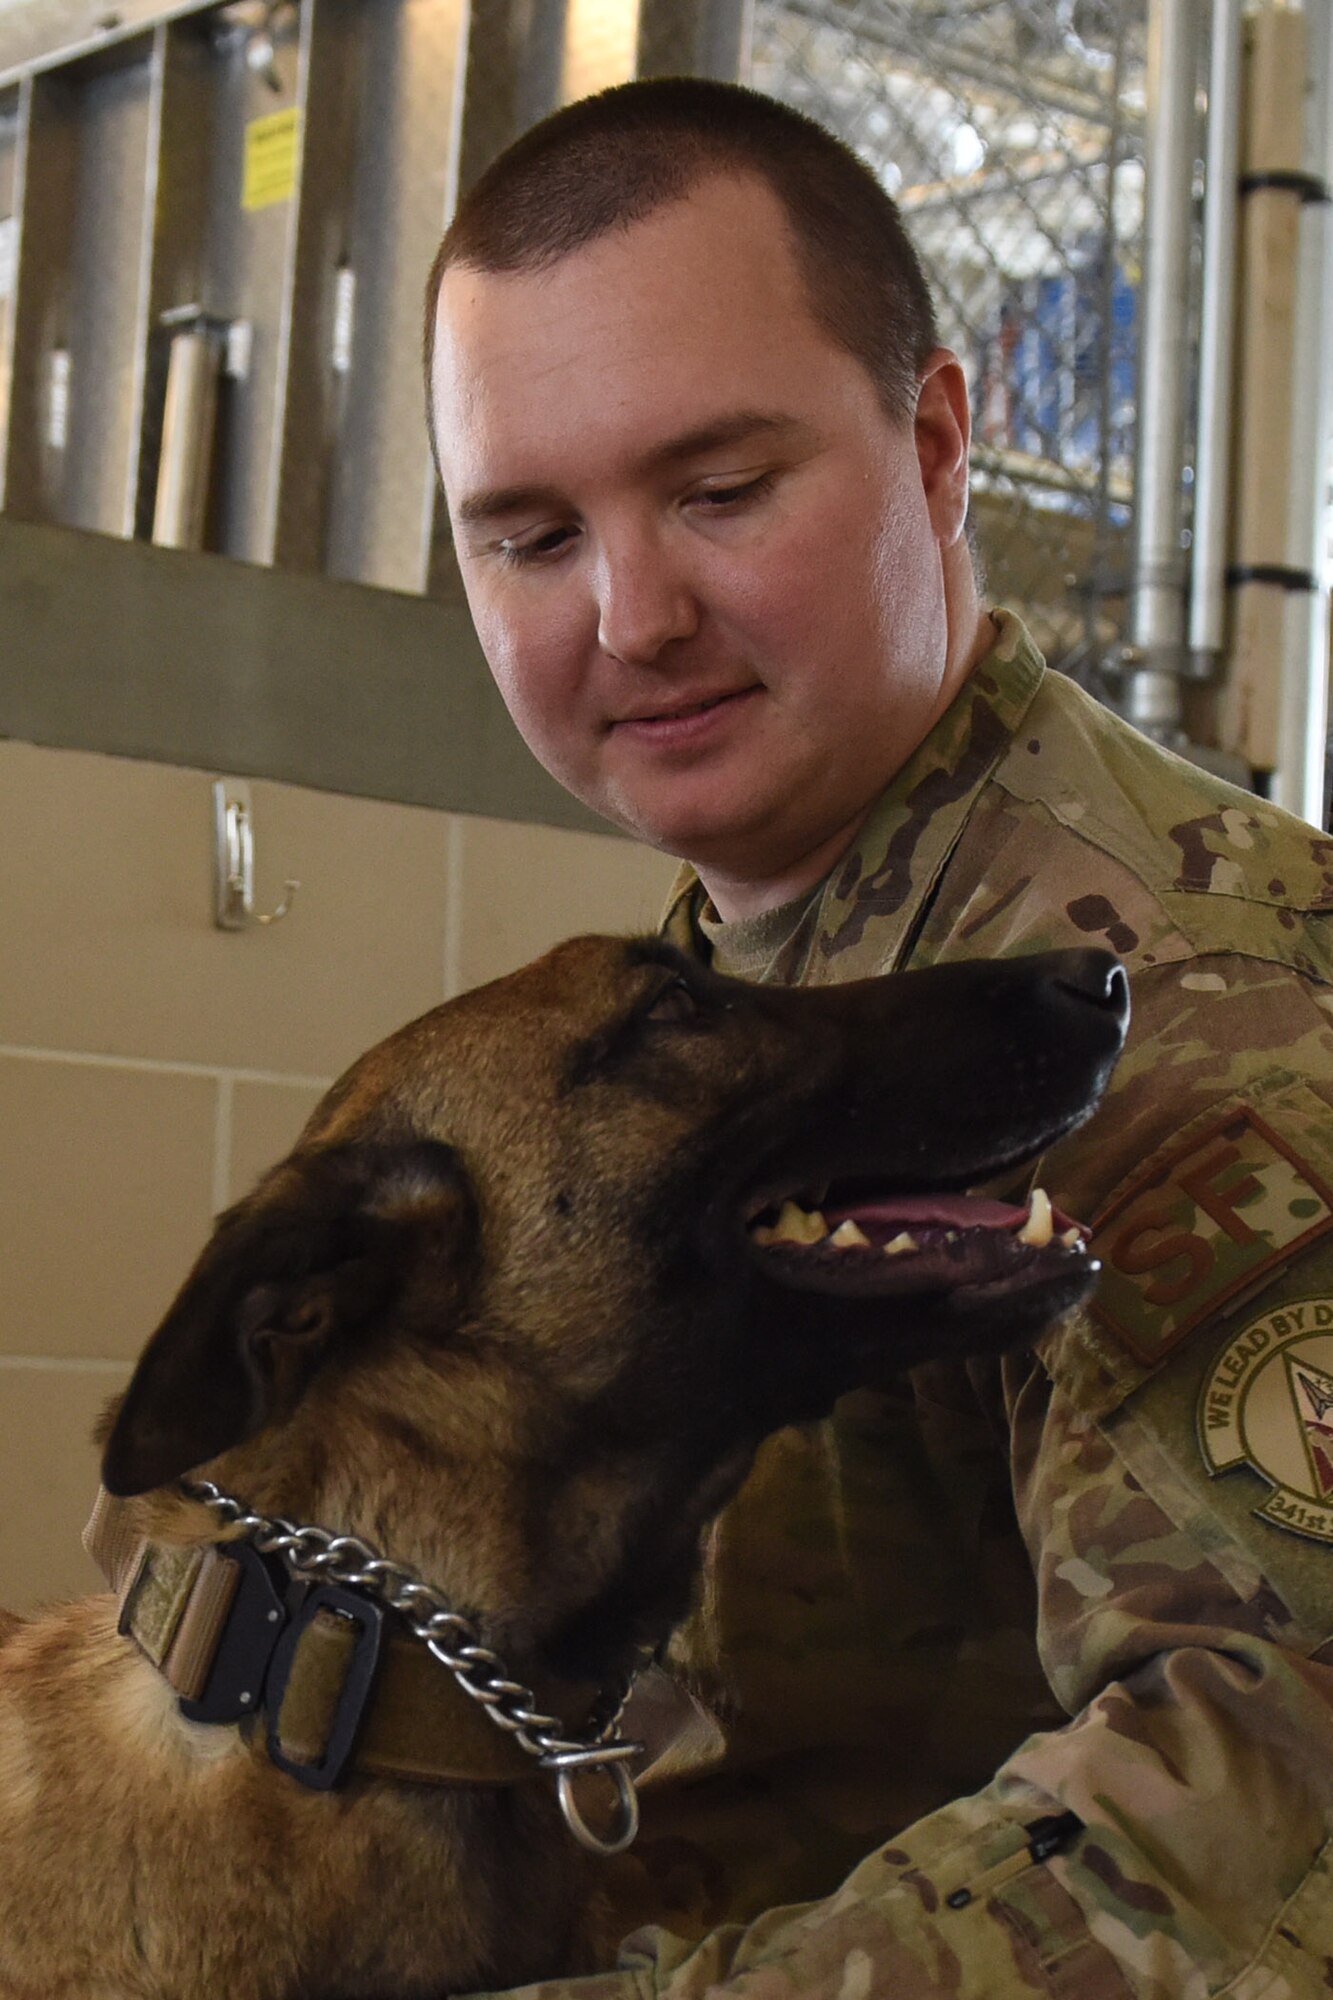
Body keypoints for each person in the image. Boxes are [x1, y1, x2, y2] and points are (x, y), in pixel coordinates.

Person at [424, 76, 1333, 1999]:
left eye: (720, 491)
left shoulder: (1178, 1013)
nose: (631, 613)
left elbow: (1261, 1806)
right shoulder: (748, 972)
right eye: (526, 534)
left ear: (932, 441)